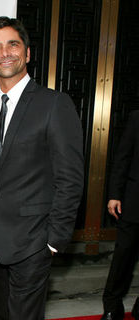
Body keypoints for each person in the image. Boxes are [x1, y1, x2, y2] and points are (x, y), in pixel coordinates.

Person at [0, 17, 84, 320]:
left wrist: (53, 240)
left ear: (27, 53)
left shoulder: (54, 104)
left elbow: (71, 178)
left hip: (33, 242)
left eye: (13, 44)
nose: (5, 52)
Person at [101, 111, 139, 320]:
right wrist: (115, 194)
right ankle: (112, 306)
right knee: (123, 257)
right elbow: (122, 157)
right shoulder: (136, 118)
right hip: (134, 202)